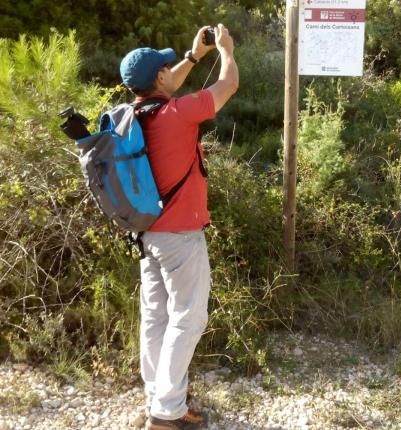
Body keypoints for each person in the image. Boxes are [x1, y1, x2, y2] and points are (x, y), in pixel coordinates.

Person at [119, 24, 238, 430]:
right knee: (188, 318)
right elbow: (228, 85)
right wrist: (225, 50)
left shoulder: (133, 116)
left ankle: (159, 397)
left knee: (155, 317)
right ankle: (166, 414)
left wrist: (193, 56)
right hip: (180, 237)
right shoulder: (178, 113)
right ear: (158, 78)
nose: (171, 70)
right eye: (166, 67)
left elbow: (167, 86)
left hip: (146, 233)